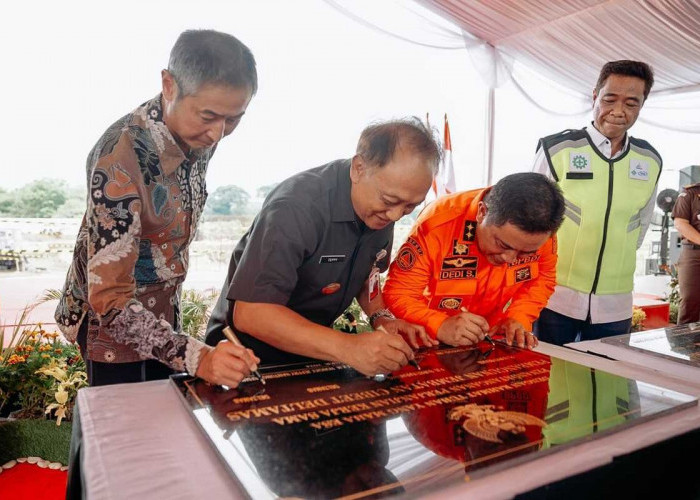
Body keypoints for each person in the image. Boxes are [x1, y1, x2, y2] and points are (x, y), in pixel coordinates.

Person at [55, 30, 260, 387]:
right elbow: (110, 301)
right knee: (125, 437)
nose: (218, 134)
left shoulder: (201, 134)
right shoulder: (118, 159)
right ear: (169, 85)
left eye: (234, 119)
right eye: (209, 116)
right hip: (113, 332)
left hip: (164, 314)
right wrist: (199, 357)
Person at [205, 118, 439, 376]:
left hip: (312, 352)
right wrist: (348, 347)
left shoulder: (381, 207)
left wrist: (382, 317)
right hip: (245, 360)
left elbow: (368, 272)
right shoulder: (296, 207)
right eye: (390, 200)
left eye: (410, 207)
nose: (395, 216)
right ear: (359, 168)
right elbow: (251, 313)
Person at [532, 60, 662, 345]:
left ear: (642, 105)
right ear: (594, 96)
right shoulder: (558, 149)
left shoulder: (649, 161)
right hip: (555, 299)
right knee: (549, 382)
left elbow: (640, 227)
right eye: (609, 99)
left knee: (607, 385)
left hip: (614, 306)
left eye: (631, 103)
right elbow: (529, 223)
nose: (618, 112)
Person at [383, 173, 565, 349]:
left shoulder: (541, 231)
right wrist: (439, 324)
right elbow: (399, 292)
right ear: (482, 212)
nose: (509, 259)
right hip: (429, 342)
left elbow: (542, 278)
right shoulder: (439, 223)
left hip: (490, 343)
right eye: (503, 244)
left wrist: (519, 317)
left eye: (526, 253)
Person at [672, 182, 700, 324]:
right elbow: (680, 223)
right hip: (694, 254)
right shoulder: (690, 194)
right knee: (690, 300)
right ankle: (684, 344)